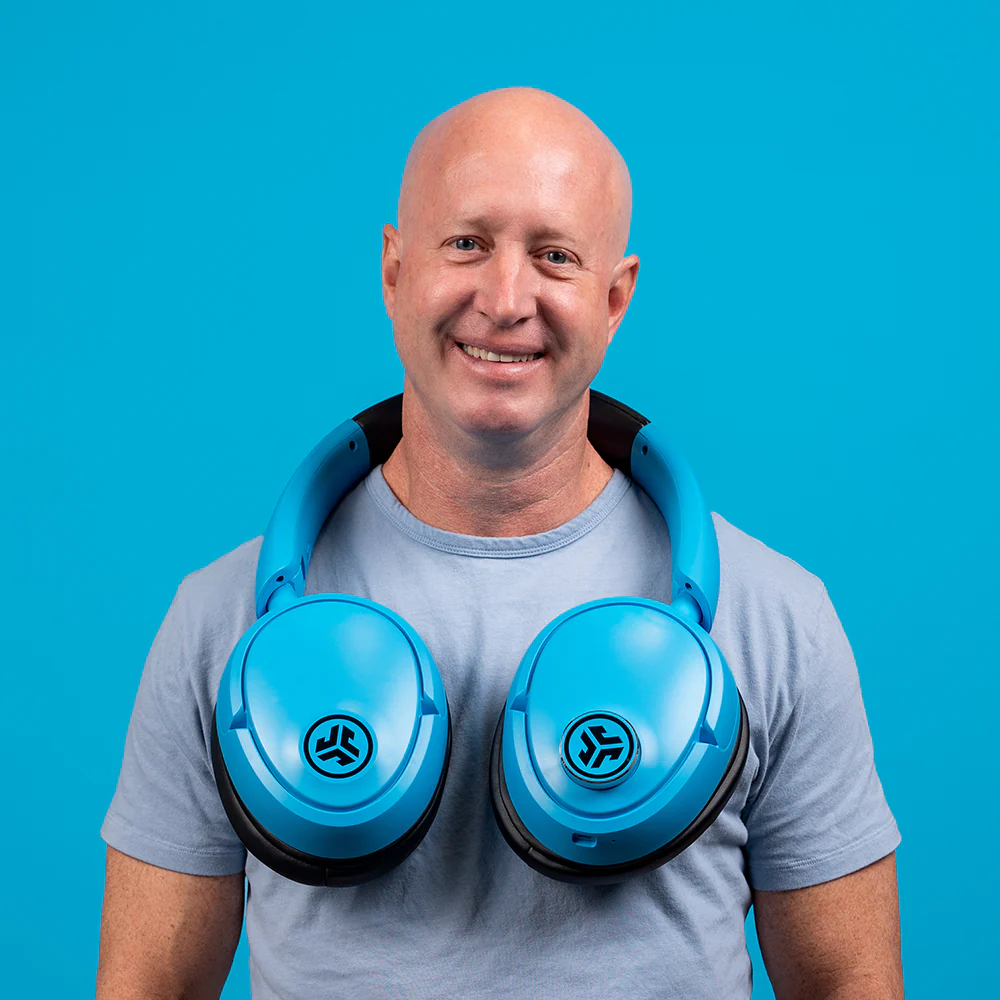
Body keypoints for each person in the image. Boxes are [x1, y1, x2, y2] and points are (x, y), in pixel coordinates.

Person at [96, 87, 903, 999]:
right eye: (467, 243)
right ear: (394, 271)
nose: (506, 299)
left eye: (553, 256)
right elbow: (146, 987)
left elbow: (850, 985)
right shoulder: (223, 625)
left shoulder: (776, 617)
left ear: (614, 298)